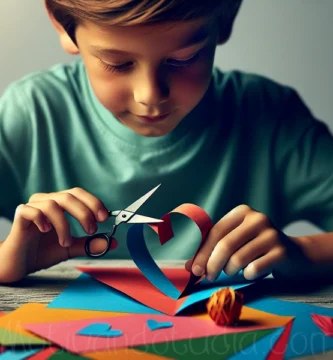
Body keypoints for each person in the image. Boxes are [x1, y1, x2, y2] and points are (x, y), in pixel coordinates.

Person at [0, 0, 332, 284]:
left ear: (226, 16)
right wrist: (7, 260)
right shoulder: (30, 114)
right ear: (62, 24)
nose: (150, 96)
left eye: (183, 59)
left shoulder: (271, 117)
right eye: (118, 64)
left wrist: (302, 253)